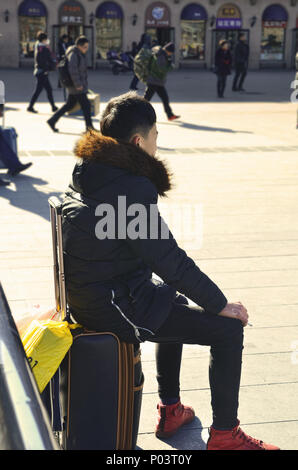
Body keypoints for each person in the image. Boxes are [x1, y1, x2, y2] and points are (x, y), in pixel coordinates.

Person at [61, 91, 279, 450]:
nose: (157, 143)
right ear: (138, 141)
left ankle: (171, 409)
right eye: (155, 135)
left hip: (103, 291)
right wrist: (219, 303)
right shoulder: (130, 188)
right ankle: (225, 434)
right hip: (114, 305)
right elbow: (168, 257)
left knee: (169, 294)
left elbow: (154, 256)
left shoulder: (93, 171)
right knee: (227, 331)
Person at [47, 36, 94, 133]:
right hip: (76, 86)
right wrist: (78, 84)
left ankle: (52, 120)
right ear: (79, 46)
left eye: (87, 47)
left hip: (75, 85)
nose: (86, 49)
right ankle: (89, 128)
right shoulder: (74, 54)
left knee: (69, 105)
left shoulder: (78, 53)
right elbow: (73, 71)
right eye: (85, 47)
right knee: (86, 106)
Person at [144, 42, 179, 121]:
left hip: (157, 81)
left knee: (164, 98)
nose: (171, 54)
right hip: (154, 81)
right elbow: (161, 70)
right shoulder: (161, 56)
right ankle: (137, 114)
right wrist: (170, 66)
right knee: (146, 100)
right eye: (171, 52)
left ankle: (170, 115)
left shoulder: (160, 54)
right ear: (168, 50)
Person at [27, 32, 58, 113]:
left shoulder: (39, 46)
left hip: (41, 71)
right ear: (44, 40)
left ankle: (53, 107)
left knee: (48, 90)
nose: (47, 40)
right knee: (39, 90)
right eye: (46, 39)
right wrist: (46, 69)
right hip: (42, 72)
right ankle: (30, 107)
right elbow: (43, 60)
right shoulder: (42, 48)